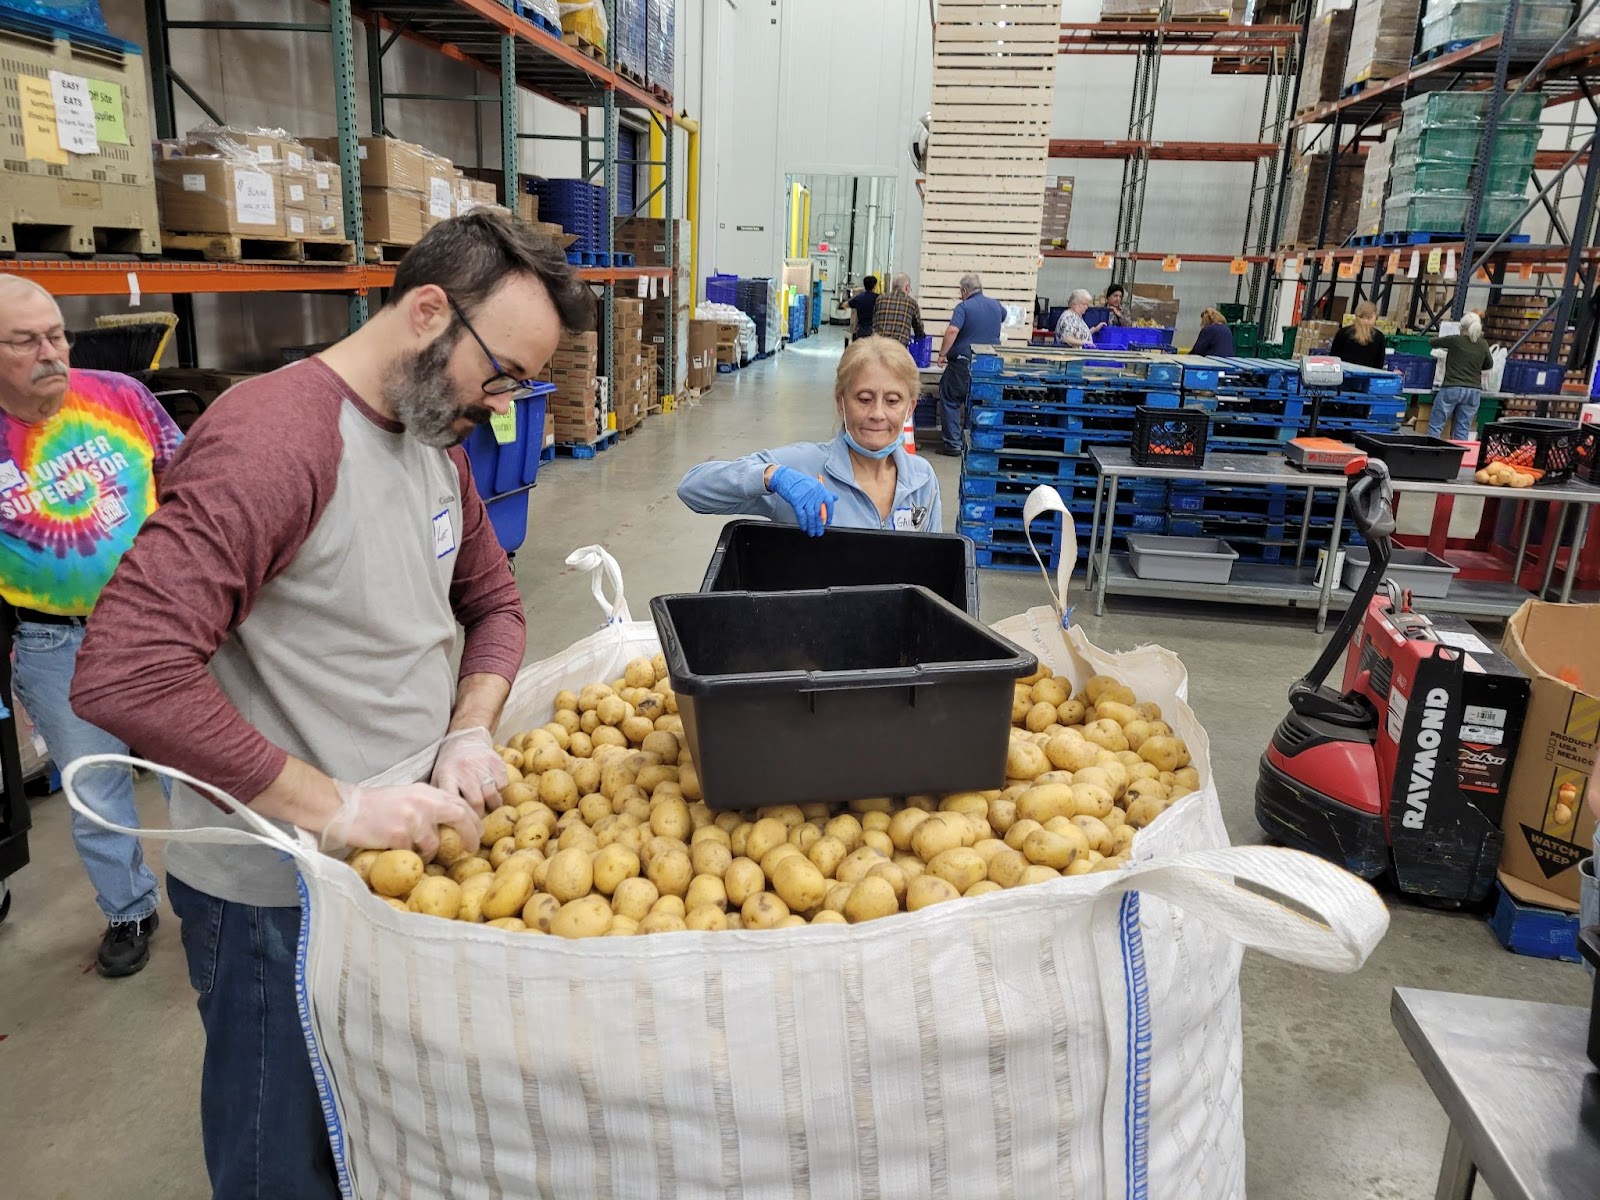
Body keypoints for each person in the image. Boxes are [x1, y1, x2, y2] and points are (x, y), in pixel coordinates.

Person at [70, 210, 594, 1199]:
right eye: (503, 372)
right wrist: (339, 807)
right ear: (427, 311)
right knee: (279, 1161)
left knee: (365, 1136)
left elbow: (493, 602)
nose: (507, 401)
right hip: (280, 900)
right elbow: (127, 668)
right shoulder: (279, 441)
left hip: (391, 875)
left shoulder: (430, 439)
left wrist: (470, 727)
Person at [0, 276, 181, 978]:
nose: (50, 353)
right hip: (54, 641)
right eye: (25, 342)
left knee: (189, 775)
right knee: (94, 787)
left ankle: (210, 900)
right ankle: (128, 911)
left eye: (56, 335)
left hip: (159, 622)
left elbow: (186, 476)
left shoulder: (119, 395)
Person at [679, 335, 940, 533]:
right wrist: (771, 476)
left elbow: (933, 566)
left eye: (893, 401)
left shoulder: (921, 479)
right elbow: (692, 489)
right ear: (841, 403)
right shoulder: (803, 467)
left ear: (910, 408)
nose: (878, 413)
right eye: (864, 398)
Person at [936, 273, 1007, 458]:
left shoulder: (964, 307)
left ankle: (953, 445)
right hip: (988, 364)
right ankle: (972, 442)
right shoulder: (996, 305)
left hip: (963, 361)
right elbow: (1004, 317)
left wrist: (942, 354)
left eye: (961, 292)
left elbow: (952, 330)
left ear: (964, 291)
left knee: (950, 399)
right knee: (976, 402)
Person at [1430, 313, 1494, 441]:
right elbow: (1489, 364)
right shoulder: (1483, 344)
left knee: (1436, 426)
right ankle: (1458, 459)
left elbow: (1432, 342)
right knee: (1462, 431)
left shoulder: (1455, 340)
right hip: (1473, 391)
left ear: (1461, 327)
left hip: (1452, 388)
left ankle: (1431, 455)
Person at [871, 272, 924, 349]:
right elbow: (918, 326)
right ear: (906, 287)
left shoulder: (880, 299)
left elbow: (874, 321)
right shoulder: (911, 303)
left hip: (879, 346)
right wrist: (920, 335)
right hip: (899, 348)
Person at [1330, 301, 1387, 369]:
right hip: (1367, 377)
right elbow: (1379, 364)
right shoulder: (1379, 337)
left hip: (1344, 375)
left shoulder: (1343, 332)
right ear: (1372, 315)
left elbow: (1334, 357)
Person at [847, 274, 879, 342]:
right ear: (874, 286)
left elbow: (845, 305)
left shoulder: (859, 298)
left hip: (861, 329)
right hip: (874, 329)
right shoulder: (878, 298)